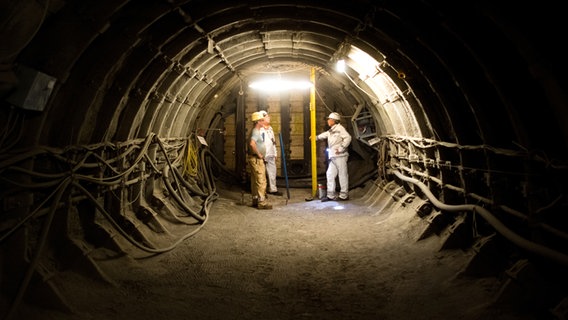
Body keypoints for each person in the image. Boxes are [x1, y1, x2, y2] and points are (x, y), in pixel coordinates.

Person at [314, 112, 352, 202]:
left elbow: (348, 138)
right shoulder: (332, 130)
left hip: (340, 156)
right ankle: (330, 195)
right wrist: (316, 137)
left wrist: (341, 148)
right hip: (334, 157)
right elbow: (325, 134)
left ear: (334, 121)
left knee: (342, 175)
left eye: (329, 119)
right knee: (330, 174)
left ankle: (344, 195)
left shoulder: (340, 129)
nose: (328, 121)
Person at [248, 111, 273, 209]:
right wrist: (259, 155)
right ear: (258, 121)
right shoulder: (256, 131)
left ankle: (255, 200)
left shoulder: (254, 130)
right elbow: (252, 144)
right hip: (256, 159)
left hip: (254, 159)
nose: (264, 122)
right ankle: (262, 203)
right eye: (262, 120)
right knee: (261, 181)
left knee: (255, 181)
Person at [259, 110, 282, 196]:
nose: (269, 117)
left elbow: (273, 142)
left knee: (272, 172)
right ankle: (262, 191)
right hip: (262, 155)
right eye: (267, 116)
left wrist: (275, 153)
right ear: (262, 118)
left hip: (271, 154)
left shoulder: (270, 129)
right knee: (261, 174)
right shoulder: (260, 130)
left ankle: (273, 189)